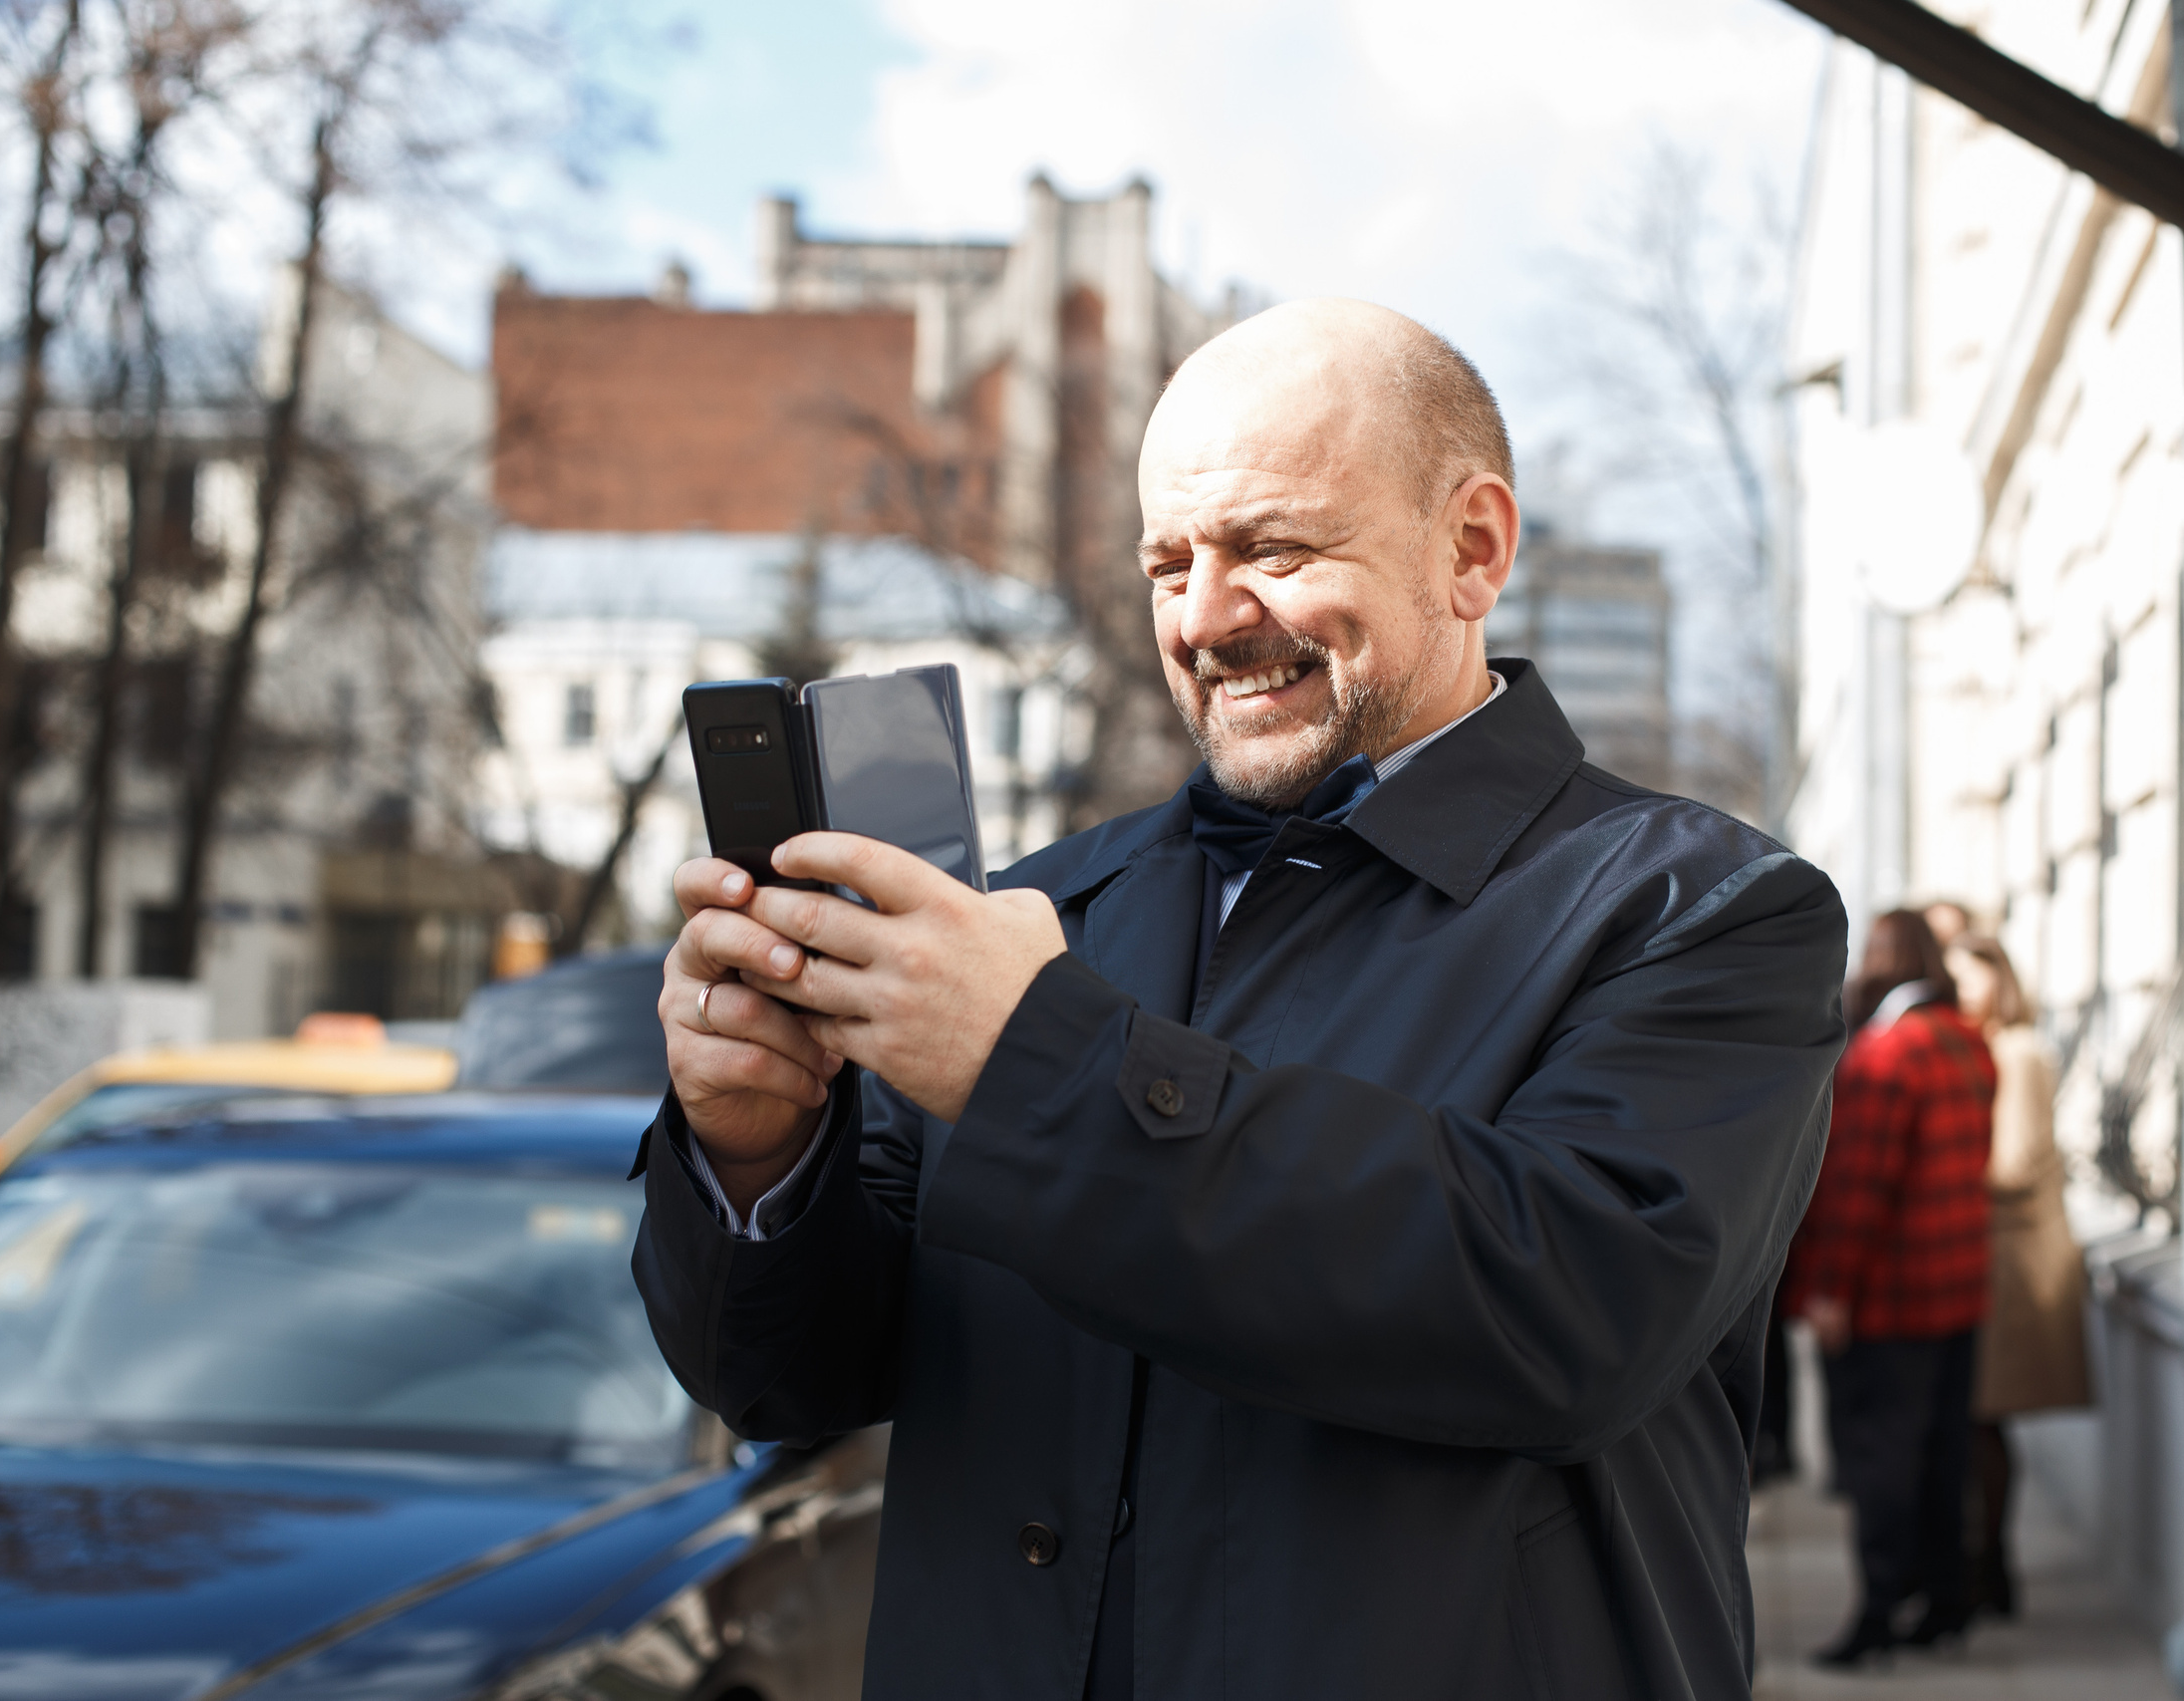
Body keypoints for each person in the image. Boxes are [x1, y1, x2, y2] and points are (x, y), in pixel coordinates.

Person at [632, 298, 1848, 1700]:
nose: (1205, 617)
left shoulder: (1701, 910)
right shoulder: (1038, 916)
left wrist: (1042, 1063)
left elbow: (1567, 1315)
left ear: (1473, 549)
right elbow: (789, 1379)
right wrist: (755, 1152)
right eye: (1168, 563)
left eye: (1273, 547)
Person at [1781, 908, 1997, 1666]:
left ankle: (1878, 1613)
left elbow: (1856, 1188)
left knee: (1882, 1460)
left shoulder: (1885, 1055)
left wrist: (1829, 1289)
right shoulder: (1967, 1042)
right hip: (1957, 1289)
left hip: (1891, 1297)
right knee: (1941, 1454)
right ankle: (1942, 1601)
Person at [1947, 933, 2090, 1618]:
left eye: (1975, 980)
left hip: (2016, 1259)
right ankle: (1988, 1567)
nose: (1964, 993)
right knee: (1976, 1420)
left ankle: (1993, 1566)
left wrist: (1936, 1172)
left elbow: (2012, 1160)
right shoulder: (1976, 1046)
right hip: (1987, 1250)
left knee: (1985, 1418)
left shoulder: (2019, 1051)